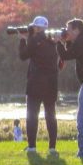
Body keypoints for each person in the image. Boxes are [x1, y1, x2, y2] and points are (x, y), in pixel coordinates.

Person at [19, 16, 60, 155]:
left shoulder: (34, 39)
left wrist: (23, 38)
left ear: (37, 27)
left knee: (32, 115)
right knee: (51, 115)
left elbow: (23, 55)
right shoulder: (54, 38)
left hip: (35, 83)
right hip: (51, 83)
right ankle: (52, 148)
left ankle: (32, 147)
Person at [56, 18, 83, 158]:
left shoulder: (82, 41)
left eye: (68, 30)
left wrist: (58, 43)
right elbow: (73, 52)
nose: (66, 32)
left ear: (76, 29)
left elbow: (66, 55)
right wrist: (66, 41)